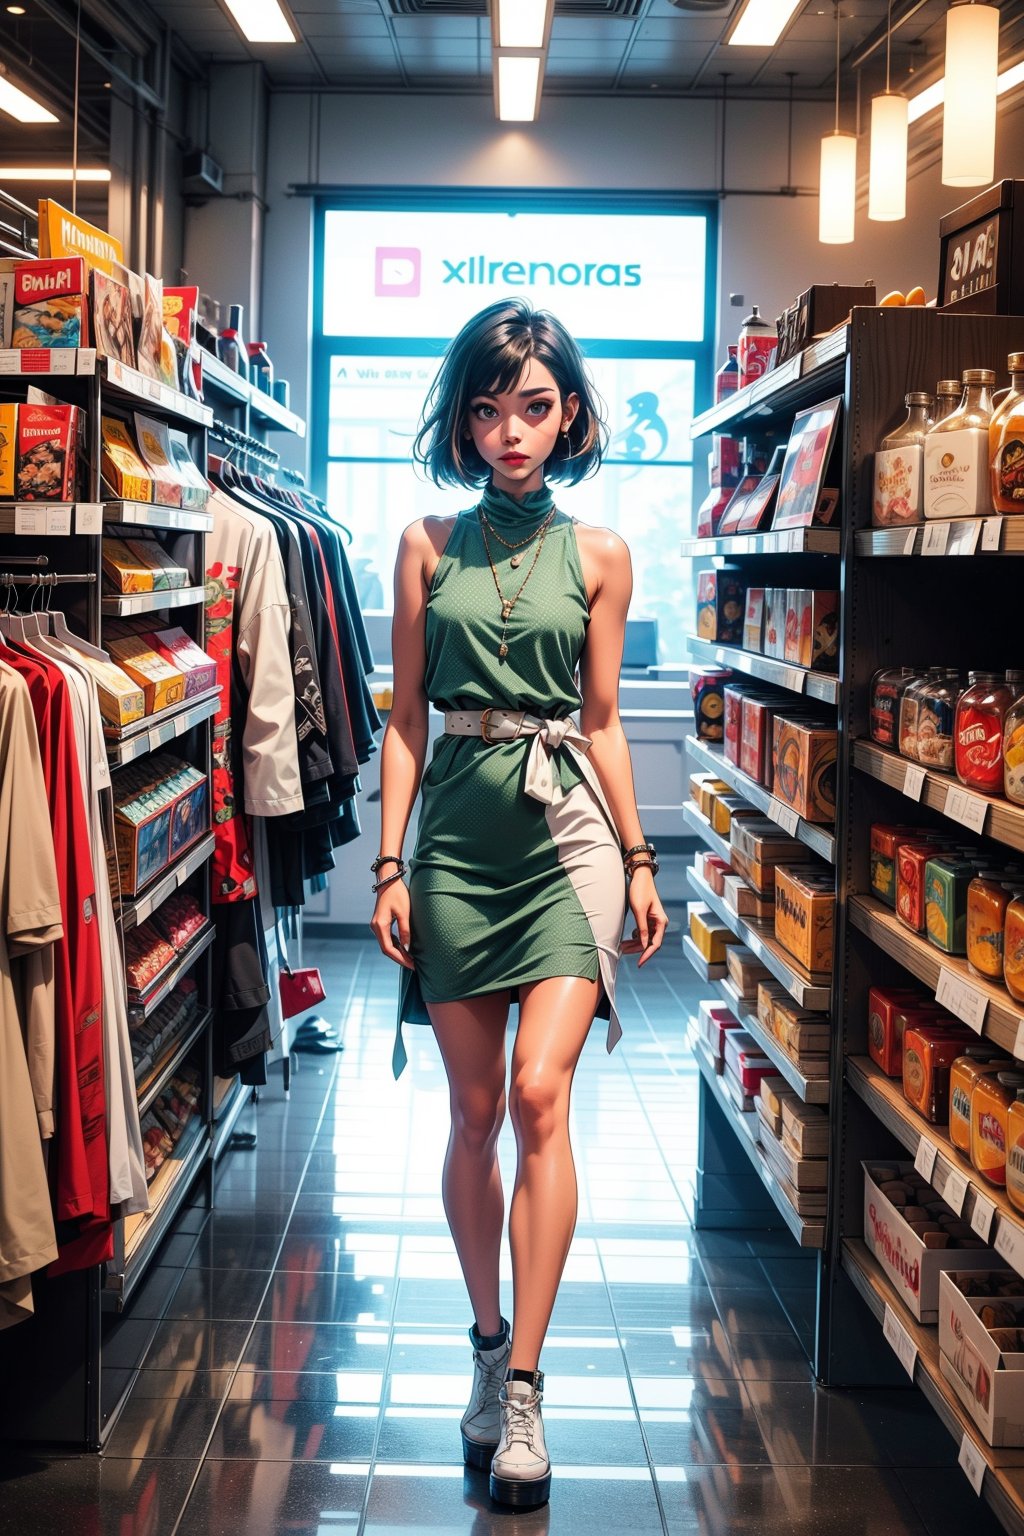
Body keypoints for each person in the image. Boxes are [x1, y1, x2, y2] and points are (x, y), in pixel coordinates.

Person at [370, 297, 667, 1510]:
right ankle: (487, 1347)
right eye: (487, 408)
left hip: (567, 836)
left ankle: (531, 1392)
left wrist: (642, 859)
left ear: (572, 414)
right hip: (454, 840)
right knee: (476, 1110)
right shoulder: (424, 542)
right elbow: (401, 720)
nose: (509, 430)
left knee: (543, 1093)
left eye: (533, 407)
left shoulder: (601, 554)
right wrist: (389, 864)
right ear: (463, 416)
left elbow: (599, 720)